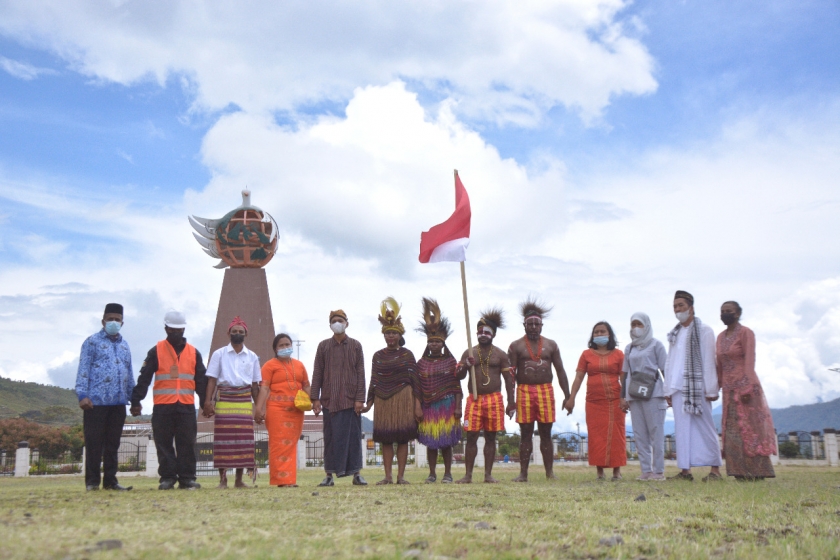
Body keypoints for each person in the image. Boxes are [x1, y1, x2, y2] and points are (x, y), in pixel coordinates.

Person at [131, 310, 207, 490]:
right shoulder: (156, 351)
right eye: (172, 330)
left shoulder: (193, 353)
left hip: (186, 406)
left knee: (187, 444)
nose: (176, 333)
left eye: (179, 330)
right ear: (166, 329)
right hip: (163, 406)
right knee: (163, 444)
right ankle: (167, 478)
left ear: (184, 329)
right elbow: (145, 378)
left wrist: (205, 403)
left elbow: (201, 381)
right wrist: (136, 400)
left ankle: (187, 478)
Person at [508, 299, 570, 482]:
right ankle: (523, 473)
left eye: (537, 324)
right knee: (525, 432)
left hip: (545, 391)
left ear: (542, 325)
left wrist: (568, 396)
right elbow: (511, 376)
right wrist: (511, 401)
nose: (534, 327)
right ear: (524, 325)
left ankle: (549, 472)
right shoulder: (515, 346)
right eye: (530, 324)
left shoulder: (551, 345)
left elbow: (560, 371)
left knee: (546, 433)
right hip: (524, 390)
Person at [75, 303, 135, 491]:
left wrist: (134, 399)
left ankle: (111, 481)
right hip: (95, 403)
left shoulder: (125, 346)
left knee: (113, 444)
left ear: (122, 322)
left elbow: (129, 374)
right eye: (110, 319)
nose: (114, 322)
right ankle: (92, 482)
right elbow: (83, 369)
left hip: (118, 403)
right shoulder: (91, 342)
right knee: (94, 444)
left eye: (117, 319)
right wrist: (82, 395)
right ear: (103, 321)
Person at [664, 290, 722, 481]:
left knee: (706, 426)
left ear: (691, 307)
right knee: (682, 431)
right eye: (675, 306)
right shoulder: (675, 333)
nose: (678, 309)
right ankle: (685, 471)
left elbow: (708, 361)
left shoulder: (704, 330)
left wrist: (711, 388)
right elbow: (670, 362)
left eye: (681, 305)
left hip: (698, 388)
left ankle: (715, 471)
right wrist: (668, 389)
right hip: (679, 388)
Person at [362, 297, 421, 485]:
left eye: (394, 333)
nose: (390, 337)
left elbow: (415, 382)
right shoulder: (377, 356)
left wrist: (417, 406)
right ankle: (387, 476)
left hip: (404, 399)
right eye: (387, 333)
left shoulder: (407, 355)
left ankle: (401, 476)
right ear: (384, 335)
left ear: (399, 335)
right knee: (386, 439)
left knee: (403, 439)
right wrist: (369, 403)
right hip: (383, 401)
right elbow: (374, 380)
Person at [716, 301, 776, 480]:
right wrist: (717, 386)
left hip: (746, 388)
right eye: (723, 311)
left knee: (751, 430)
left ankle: (758, 472)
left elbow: (750, 360)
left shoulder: (746, 333)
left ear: (738, 313)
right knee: (732, 431)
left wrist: (748, 385)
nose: (725, 314)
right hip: (728, 390)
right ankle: (738, 472)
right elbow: (719, 364)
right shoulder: (720, 337)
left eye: (729, 311)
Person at [456, 308, 515, 484]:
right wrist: (466, 365)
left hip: (494, 399)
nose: (483, 334)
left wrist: (511, 403)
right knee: (471, 436)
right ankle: (468, 475)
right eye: (480, 331)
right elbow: (458, 376)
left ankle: (488, 474)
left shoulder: (500, 354)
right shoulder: (469, 352)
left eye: (487, 332)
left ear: (493, 334)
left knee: (491, 437)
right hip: (474, 398)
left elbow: (509, 380)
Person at [310, 309, 368, 487]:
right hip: (329, 400)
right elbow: (317, 373)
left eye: (340, 320)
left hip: (351, 402)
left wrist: (360, 399)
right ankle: (329, 475)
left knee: (353, 439)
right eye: (334, 320)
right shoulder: (323, 346)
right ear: (330, 325)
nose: (337, 323)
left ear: (346, 323)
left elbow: (361, 374)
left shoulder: (356, 346)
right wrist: (315, 398)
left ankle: (356, 474)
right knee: (330, 439)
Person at [203, 316, 261, 489]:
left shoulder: (252, 357)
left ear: (246, 334)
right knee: (223, 441)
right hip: (224, 400)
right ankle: (223, 480)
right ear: (228, 333)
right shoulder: (219, 354)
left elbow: (255, 385)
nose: (237, 334)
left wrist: (258, 408)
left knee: (243, 442)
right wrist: (207, 401)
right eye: (234, 331)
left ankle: (238, 480)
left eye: (240, 332)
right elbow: (212, 380)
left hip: (244, 402)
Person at [565, 322, 627, 480]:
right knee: (596, 436)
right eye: (596, 332)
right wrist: (571, 398)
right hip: (594, 402)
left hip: (615, 401)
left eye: (602, 331)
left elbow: (624, 378)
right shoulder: (586, 354)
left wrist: (624, 398)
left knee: (616, 435)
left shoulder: (619, 354)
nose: (599, 335)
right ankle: (600, 472)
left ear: (609, 334)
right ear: (592, 336)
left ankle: (616, 472)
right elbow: (579, 377)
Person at [414, 298, 462, 484]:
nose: (434, 345)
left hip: (447, 406)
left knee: (447, 442)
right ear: (428, 344)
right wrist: (417, 407)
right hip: (427, 407)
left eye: (437, 342)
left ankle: (448, 474)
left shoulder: (451, 362)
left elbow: (457, 387)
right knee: (431, 442)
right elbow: (417, 388)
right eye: (431, 342)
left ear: (443, 344)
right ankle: (432, 473)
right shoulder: (421, 364)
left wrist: (458, 407)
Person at [254, 333, 310, 487]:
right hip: (276, 410)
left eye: (287, 345)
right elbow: (264, 389)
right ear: (275, 349)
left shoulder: (300, 365)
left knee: (291, 444)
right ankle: (281, 480)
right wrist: (258, 409)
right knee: (279, 444)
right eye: (281, 345)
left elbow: (306, 385)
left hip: (296, 410)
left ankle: (290, 481)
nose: (285, 348)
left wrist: (313, 402)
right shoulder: (269, 366)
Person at [621, 312, 668, 481]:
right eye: (633, 324)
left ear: (646, 325)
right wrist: (623, 396)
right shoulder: (629, 348)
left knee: (656, 432)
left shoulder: (657, 345)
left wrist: (668, 392)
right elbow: (625, 374)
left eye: (639, 324)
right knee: (640, 434)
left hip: (654, 393)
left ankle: (659, 471)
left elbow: (664, 370)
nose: (636, 328)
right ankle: (646, 470)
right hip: (634, 394)